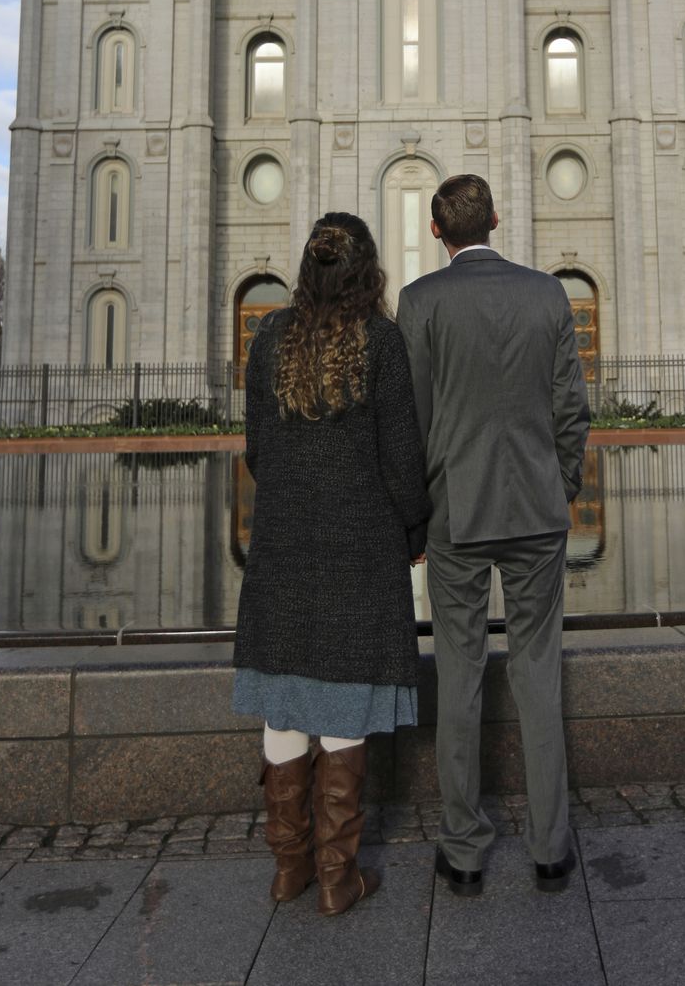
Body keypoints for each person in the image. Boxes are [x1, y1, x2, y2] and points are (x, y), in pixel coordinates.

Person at [397, 174, 591, 897]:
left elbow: (411, 424)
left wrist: (419, 515)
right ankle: (550, 846)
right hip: (537, 514)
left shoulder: (419, 302)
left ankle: (466, 849)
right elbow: (572, 409)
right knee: (539, 672)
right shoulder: (547, 294)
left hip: (457, 515)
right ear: (497, 220)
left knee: (460, 672)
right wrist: (559, 484)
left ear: (437, 229)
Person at [233, 212, 431, 916]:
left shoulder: (269, 339)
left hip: (284, 543)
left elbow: (256, 448)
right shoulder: (379, 341)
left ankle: (289, 868)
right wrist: (414, 529)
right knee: (345, 695)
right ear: (367, 272)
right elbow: (404, 463)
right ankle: (338, 875)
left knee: (285, 696)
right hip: (360, 546)